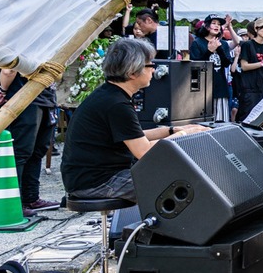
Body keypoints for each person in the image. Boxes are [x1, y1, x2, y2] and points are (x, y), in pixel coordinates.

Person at [61, 38, 207, 201]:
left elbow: (133, 135)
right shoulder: (116, 104)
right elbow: (144, 151)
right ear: (132, 72)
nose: (154, 70)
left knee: (180, 175)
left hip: (92, 178)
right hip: (97, 183)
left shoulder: (110, 95)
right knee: (185, 183)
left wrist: (171, 130)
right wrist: (184, 135)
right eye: (150, 65)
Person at [0, 68, 59, 215]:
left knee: (32, 151)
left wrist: (3, 89)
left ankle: (29, 198)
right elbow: (8, 70)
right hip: (31, 98)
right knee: (24, 152)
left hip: (38, 98)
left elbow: (8, 70)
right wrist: (4, 90)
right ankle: (17, 202)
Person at [189, 15, 234, 122]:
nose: (217, 26)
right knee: (204, 124)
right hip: (203, 89)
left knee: (221, 122)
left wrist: (219, 49)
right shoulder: (198, 42)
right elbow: (195, 67)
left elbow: (227, 63)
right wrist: (209, 51)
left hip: (220, 87)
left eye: (219, 24)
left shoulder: (223, 44)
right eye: (214, 23)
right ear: (207, 26)